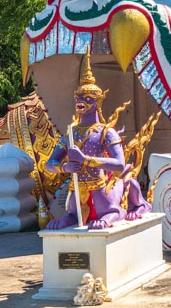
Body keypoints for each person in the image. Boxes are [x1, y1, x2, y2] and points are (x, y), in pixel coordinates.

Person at [44, 55, 150, 229]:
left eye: (87, 98)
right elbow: (50, 163)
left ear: (97, 101)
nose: (81, 102)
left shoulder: (106, 132)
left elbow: (119, 164)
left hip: (100, 186)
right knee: (72, 217)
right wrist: (65, 167)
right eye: (78, 98)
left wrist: (85, 160)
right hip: (78, 186)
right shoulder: (71, 134)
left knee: (127, 183)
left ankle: (139, 206)